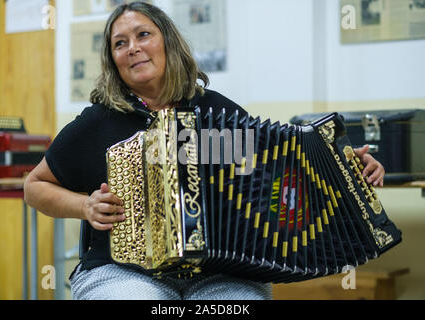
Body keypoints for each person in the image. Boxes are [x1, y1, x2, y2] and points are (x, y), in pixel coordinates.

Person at [23, 2, 385, 300]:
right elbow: (34, 187)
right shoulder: (99, 122)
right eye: (120, 43)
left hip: (222, 272)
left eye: (143, 35)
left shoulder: (219, 114)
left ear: (168, 42)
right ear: (113, 60)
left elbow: (280, 173)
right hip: (122, 271)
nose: (132, 47)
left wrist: (351, 171)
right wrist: (84, 206)